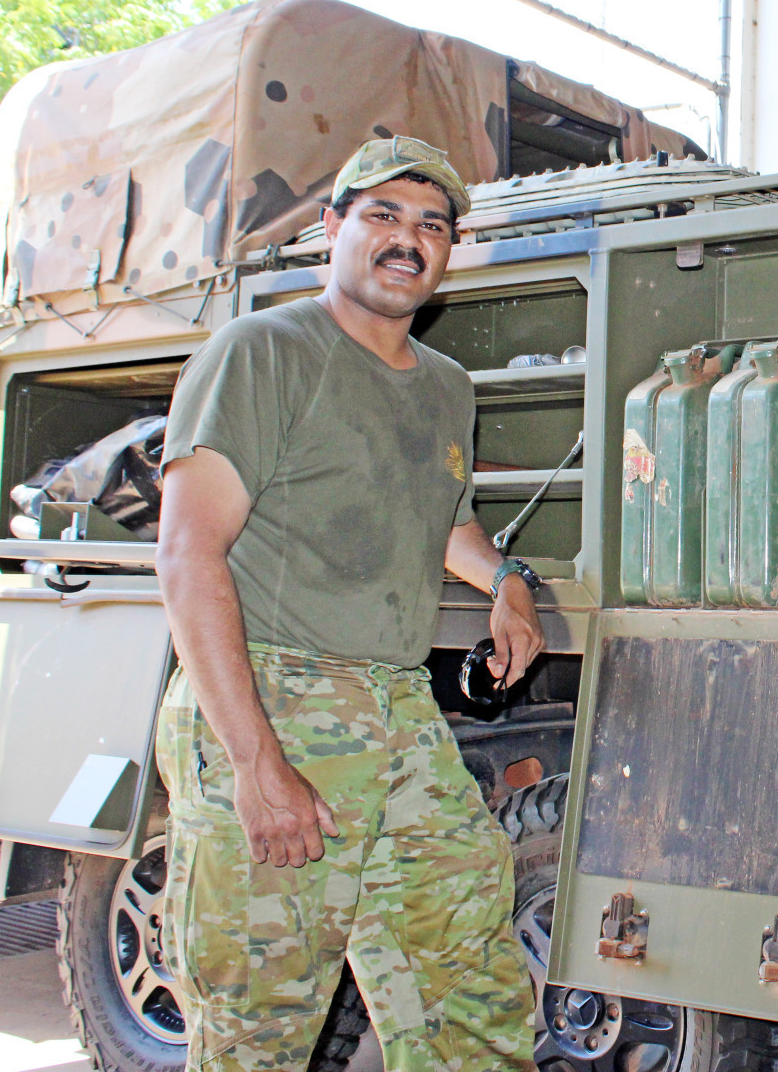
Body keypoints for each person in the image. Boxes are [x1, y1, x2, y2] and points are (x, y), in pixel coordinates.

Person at [154, 135, 546, 1070]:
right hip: (276, 696)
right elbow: (186, 551)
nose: (408, 239)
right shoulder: (263, 352)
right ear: (332, 229)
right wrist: (255, 762)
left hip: (399, 708)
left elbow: (446, 523)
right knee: (261, 1014)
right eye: (383, 215)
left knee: (467, 983)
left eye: (431, 225)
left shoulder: (447, 387)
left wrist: (505, 583)